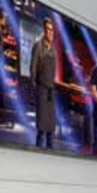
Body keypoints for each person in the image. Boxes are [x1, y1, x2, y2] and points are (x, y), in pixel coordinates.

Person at [30, 18, 57, 149]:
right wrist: (35, 87)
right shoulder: (38, 46)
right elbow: (33, 68)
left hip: (51, 91)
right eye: (48, 30)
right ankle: (38, 154)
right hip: (41, 89)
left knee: (50, 128)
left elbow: (53, 71)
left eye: (52, 30)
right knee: (41, 128)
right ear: (44, 31)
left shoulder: (53, 50)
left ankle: (50, 155)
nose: (50, 33)